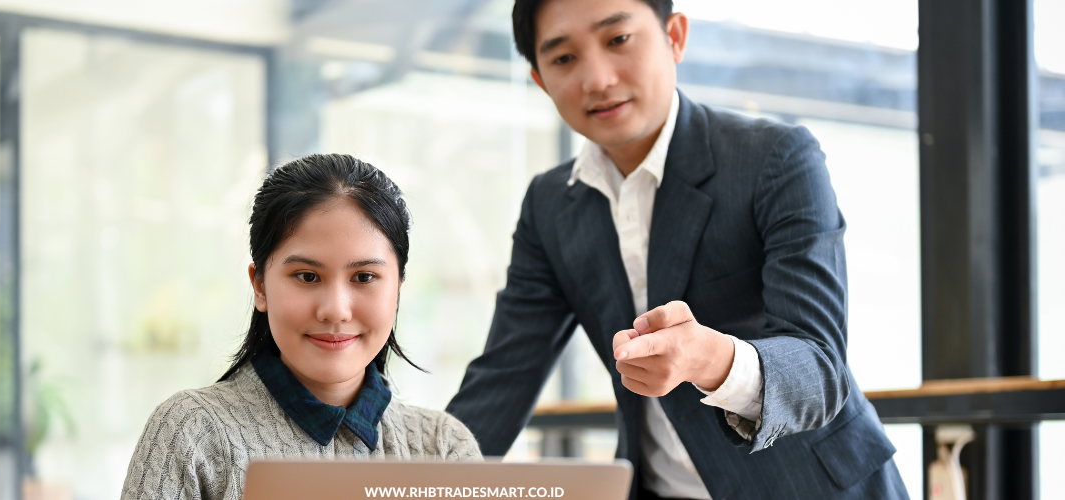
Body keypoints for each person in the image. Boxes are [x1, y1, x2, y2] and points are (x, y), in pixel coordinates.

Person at [445, 0, 908, 499]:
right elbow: (503, 377)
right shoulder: (550, 204)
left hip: (814, 487)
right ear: (539, 80)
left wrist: (711, 359)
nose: (597, 79)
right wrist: (402, 485)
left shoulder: (775, 158)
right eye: (563, 59)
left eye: (618, 39)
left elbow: (820, 368)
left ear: (676, 37)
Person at [122, 154, 483, 500]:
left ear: (398, 288)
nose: (335, 310)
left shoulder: (445, 447)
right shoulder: (192, 432)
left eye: (364, 277)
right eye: (307, 276)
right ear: (260, 285)